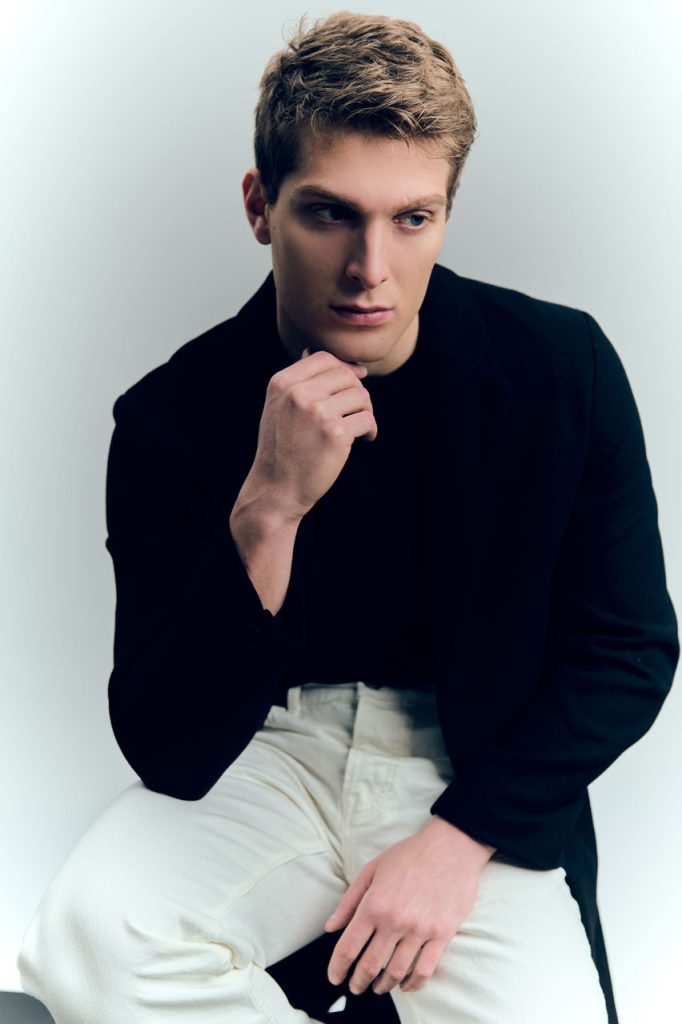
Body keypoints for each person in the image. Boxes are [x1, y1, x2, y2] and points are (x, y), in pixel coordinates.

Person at [17, 11, 678, 1024]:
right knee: (89, 949)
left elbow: (627, 649)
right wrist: (268, 509)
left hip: (472, 762)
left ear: (446, 213)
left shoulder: (559, 368)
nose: (371, 267)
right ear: (260, 205)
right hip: (267, 751)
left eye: (412, 218)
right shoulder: (170, 415)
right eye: (329, 214)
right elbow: (168, 744)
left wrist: (458, 840)